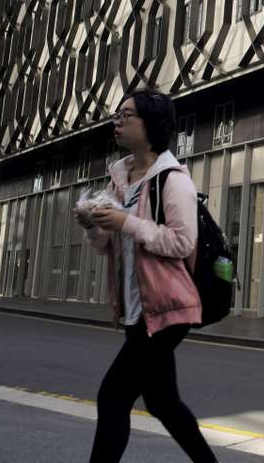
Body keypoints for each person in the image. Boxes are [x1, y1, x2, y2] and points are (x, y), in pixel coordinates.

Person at [78, 89, 217, 463]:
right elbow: (107, 245)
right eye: (117, 115)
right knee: (163, 403)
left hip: (166, 309)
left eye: (127, 115)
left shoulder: (173, 180)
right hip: (137, 309)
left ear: (151, 125)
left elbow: (182, 241)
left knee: (113, 395)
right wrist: (92, 225)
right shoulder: (120, 178)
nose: (117, 122)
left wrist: (126, 222)